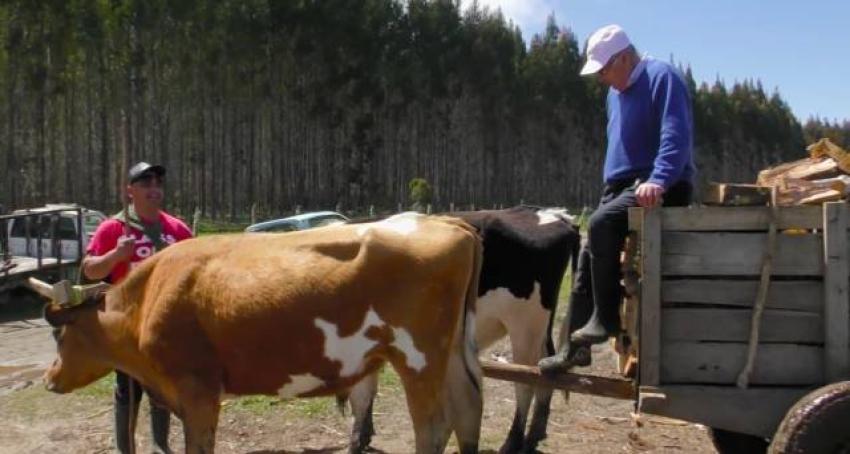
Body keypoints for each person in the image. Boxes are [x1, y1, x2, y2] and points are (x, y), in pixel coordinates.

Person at [539, 24, 695, 373]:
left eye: (605, 69)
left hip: (658, 187)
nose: (602, 79)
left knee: (601, 223)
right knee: (586, 258)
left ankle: (606, 320)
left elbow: (676, 136)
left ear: (624, 58)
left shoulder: (661, 78)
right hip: (624, 187)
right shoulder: (616, 91)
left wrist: (659, 179)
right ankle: (574, 350)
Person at [83, 162, 193, 453]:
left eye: (157, 184)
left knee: (162, 390)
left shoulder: (177, 229)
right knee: (127, 392)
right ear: (129, 191)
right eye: (145, 184)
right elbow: (90, 270)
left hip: (166, 327)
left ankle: (160, 446)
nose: (154, 189)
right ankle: (125, 449)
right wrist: (116, 255)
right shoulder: (113, 227)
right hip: (127, 327)